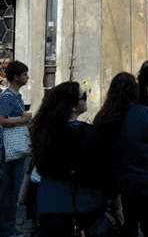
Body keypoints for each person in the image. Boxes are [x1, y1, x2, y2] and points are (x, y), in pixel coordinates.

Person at [30, 81, 118, 237]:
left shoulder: (43, 133)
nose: (86, 99)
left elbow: (36, 173)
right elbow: (106, 174)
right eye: (83, 96)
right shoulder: (92, 134)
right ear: (73, 106)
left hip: (49, 207)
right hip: (85, 207)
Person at [94, 71, 148, 237]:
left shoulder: (105, 119)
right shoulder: (145, 114)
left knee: (128, 230)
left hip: (123, 189)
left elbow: (103, 157)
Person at [0, 60, 31, 237]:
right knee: (10, 191)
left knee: (11, 190)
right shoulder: (8, 97)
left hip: (16, 149)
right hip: (10, 150)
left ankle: (9, 227)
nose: (27, 78)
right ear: (16, 77)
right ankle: (7, 229)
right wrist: (23, 119)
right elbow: (2, 120)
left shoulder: (16, 96)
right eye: (25, 74)